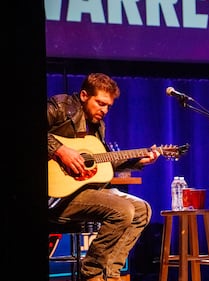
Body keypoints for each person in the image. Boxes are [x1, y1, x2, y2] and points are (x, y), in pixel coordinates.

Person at [47, 73, 161, 281]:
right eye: (100, 103)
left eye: (108, 106)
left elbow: (103, 160)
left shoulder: (97, 126)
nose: (104, 110)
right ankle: (91, 273)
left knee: (142, 210)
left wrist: (138, 161)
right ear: (83, 95)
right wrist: (60, 150)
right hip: (56, 197)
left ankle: (110, 274)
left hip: (82, 192)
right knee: (123, 209)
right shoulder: (61, 106)